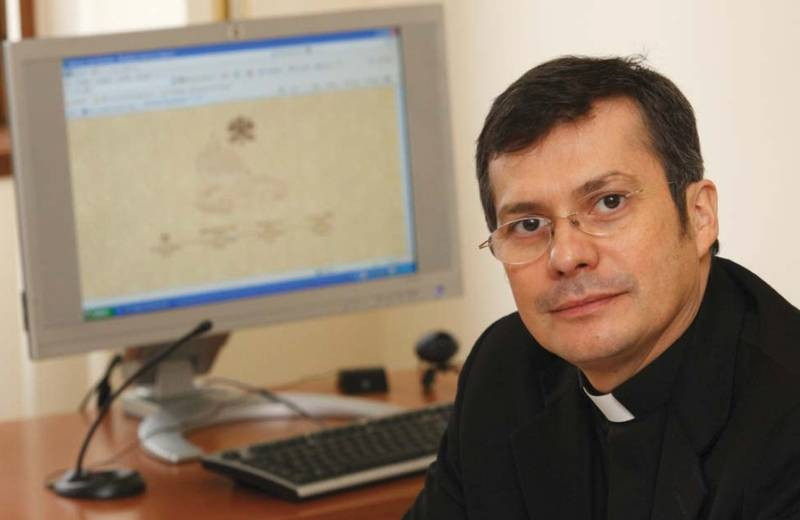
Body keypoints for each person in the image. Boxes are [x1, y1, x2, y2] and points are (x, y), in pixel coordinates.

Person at [404, 56, 800, 519]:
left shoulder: (787, 423)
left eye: (609, 202)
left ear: (699, 216)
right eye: (528, 224)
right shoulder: (504, 368)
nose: (566, 256)